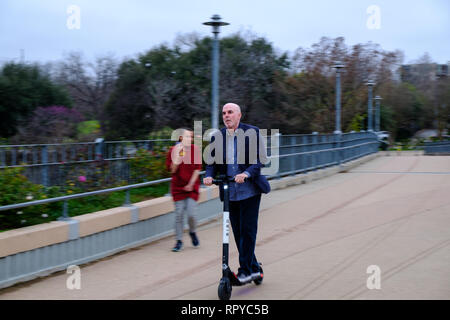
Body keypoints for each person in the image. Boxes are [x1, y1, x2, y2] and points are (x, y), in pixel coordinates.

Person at [203, 103, 270, 284]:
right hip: (230, 192)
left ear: (239, 115)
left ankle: (245, 271)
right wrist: (209, 176)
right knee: (238, 232)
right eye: (224, 113)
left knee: (248, 231)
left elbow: (260, 160)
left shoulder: (252, 132)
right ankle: (255, 268)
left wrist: (246, 173)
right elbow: (211, 163)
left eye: (230, 112)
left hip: (250, 190)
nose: (226, 116)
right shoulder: (217, 137)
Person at [166, 128, 202, 252]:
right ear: (181, 138)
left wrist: (191, 184)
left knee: (191, 214)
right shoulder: (173, 150)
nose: (190, 139)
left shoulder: (195, 150)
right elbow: (172, 170)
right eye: (187, 136)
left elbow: (197, 169)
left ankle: (192, 232)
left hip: (192, 187)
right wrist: (178, 155)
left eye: (191, 137)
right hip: (178, 188)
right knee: (179, 215)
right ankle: (179, 241)